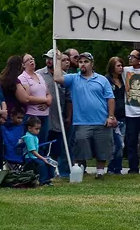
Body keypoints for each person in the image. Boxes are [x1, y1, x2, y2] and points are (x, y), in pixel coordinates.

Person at [53, 51, 116, 179]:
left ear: (92, 64)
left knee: (102, 149)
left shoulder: (102, 80)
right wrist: (58, 61)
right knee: (80, 150)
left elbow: (110, 98)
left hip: (101, 121)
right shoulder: (74, 78)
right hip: (81, 122)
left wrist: (110, 116)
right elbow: (57, 78)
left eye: (86, 62)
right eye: (80, 62)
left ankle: (100, 173)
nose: (83, 64)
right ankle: (79, 172)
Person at [35, 50, 66, 178]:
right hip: (43, 117)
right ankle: (41, 173)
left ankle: (53, 172)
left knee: (56, 148)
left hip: (59, 119)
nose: (48, 61)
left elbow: (68, 98)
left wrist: (68, 116)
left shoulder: (64, 76)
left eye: (51, 58)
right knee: (42, 145)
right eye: (47, 58)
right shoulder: (38, 75)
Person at [17, 54, 52, 145]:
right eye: (28, 60)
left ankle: (42, 158)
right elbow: (27, 97)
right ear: (23, 65)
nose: (31, 61)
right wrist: (44, 100)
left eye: (32, 58)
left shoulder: (39, 76)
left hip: (45, 114)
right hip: (32, 114)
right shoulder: (22, 78)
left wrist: (47, 102)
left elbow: (48, 93)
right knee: (32, 143)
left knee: (43, 142)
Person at [105, 57, 126, 174]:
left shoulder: (123, 79)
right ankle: (112, 167)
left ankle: (117, 167)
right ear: (112, 66)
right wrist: (110, 115)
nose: (121, 68)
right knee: (116, 143)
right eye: (118, 65)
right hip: (113, 116)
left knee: (122, 144)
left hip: (124, 115)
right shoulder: (106, 80)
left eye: (122, 65)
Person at [22, 116, 55, 186]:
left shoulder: (34, 136)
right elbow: (32, 151)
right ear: (29, 128)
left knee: (49, 160)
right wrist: (42, 158)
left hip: (34, 157)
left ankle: (49, 178)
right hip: (29, 158)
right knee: (42, 163)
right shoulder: (29, 137)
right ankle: (43, 181)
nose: (38, 131)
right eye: (36, 129)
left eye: (39, 129)